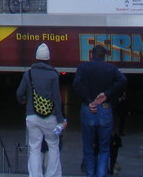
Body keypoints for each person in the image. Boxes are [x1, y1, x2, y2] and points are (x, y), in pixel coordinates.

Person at [73, 43, 126, 177]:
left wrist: (88, 100)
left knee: (88, 148)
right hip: (105, 109)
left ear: (91, 54)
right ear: (105, 56)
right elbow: (123, 80)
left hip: (88, 108)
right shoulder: (111, 68)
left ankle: (90, 174)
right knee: (104, 148)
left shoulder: (83, 67)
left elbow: (76, 84)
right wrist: (107, 94)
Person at [16, 43, 66, 177]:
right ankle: (51, 174)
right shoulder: (54, 75)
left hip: (32, 117)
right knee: (53, 145)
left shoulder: (29, 74)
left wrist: (23, 100)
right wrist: (61, 120)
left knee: (34, 148)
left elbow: (19, 93)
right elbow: (57, 98)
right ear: (49, 58)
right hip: (50, 118)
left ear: (36, 57)